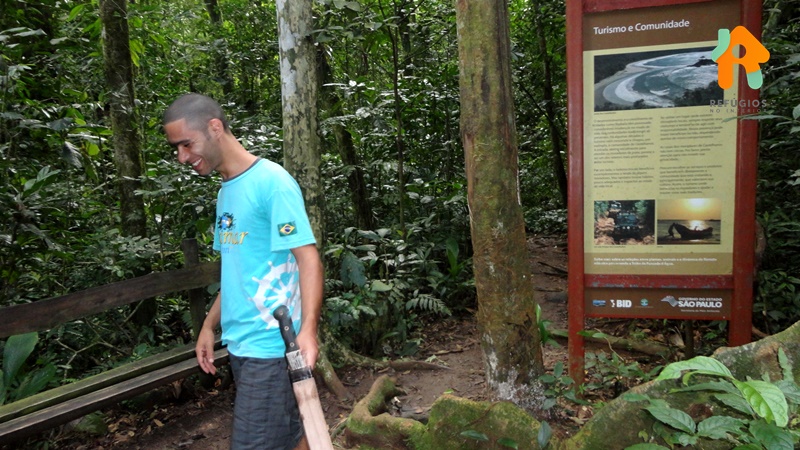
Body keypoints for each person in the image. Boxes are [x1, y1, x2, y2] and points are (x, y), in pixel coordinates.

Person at [163, 93, 323, 450]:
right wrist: (208, 326)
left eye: (187, 144)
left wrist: (308, 331)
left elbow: (307, 257)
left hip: (271, 346)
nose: (182, 157)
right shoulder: (226, 192)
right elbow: (237, 274)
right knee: (292, 435)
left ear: (215, 128)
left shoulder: (272, 183)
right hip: (242, 345)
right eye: (177, 148)